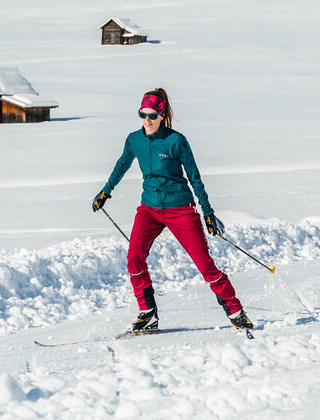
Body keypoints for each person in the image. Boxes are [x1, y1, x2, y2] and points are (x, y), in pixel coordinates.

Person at [92, 88, 253, 333]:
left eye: (152, 115)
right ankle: (148, 313)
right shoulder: (134, 140)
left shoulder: (176, 140)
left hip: (180, 209)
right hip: (149, 209)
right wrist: (105, 192)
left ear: (161, 114)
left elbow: (195, 178)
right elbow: (121, 166)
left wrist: (207, 213)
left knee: (204, 264)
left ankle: (235, 310)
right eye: (142, 114)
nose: (147, 119)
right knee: (134, 258)